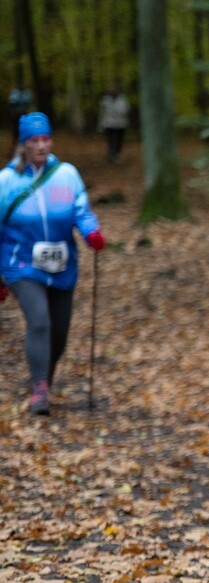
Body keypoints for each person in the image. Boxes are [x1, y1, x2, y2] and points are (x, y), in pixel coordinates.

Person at [0, 112, 105, 415]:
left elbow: (81, 211)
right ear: (23, 144)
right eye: (34, 140)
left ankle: (44, 376)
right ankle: (39, 388)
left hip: (62, 265)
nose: (41, 146)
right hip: (21, 263)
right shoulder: (6, 181)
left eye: (46, 139)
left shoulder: (67, 175)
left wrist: (91, 232)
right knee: (40, 322)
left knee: (59, 331)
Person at [98, 85, 131, 163]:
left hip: (120, 124)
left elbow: (126, 110)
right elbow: (102, 112)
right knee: (111, 140)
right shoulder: (105, 100)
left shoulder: (122, 99)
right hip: (109, 124)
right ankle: (112, 154)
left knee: (119, 140)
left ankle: (117, 153)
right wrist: (101, 125)